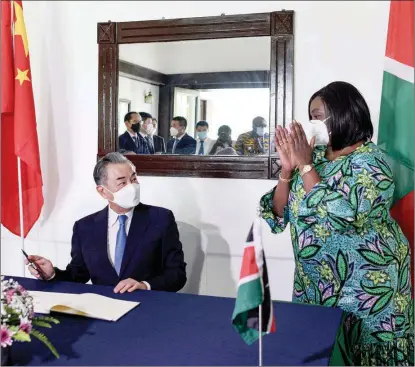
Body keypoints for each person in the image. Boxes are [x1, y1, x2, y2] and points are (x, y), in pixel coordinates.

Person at [260, 81, 413, 365]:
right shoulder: (313, 159)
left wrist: (305, 167)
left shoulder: (371, 161)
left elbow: (344, 215)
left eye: (317, 116)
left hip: (366, 291)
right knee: (321, 354)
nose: (311, 123)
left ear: (344, 114)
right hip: (315, 287)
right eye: (310, 117)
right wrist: (287, 169)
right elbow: (280, 213)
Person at [25, 152, 187, 293]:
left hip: (147, 309)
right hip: (103, 312)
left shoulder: (161, 218)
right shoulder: (85, 227)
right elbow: (78, 275)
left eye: (134, 179)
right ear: (103, 191)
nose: (132, 187)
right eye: (122, 182)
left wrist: (144, 285)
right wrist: (51, 273)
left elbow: (177, 274)